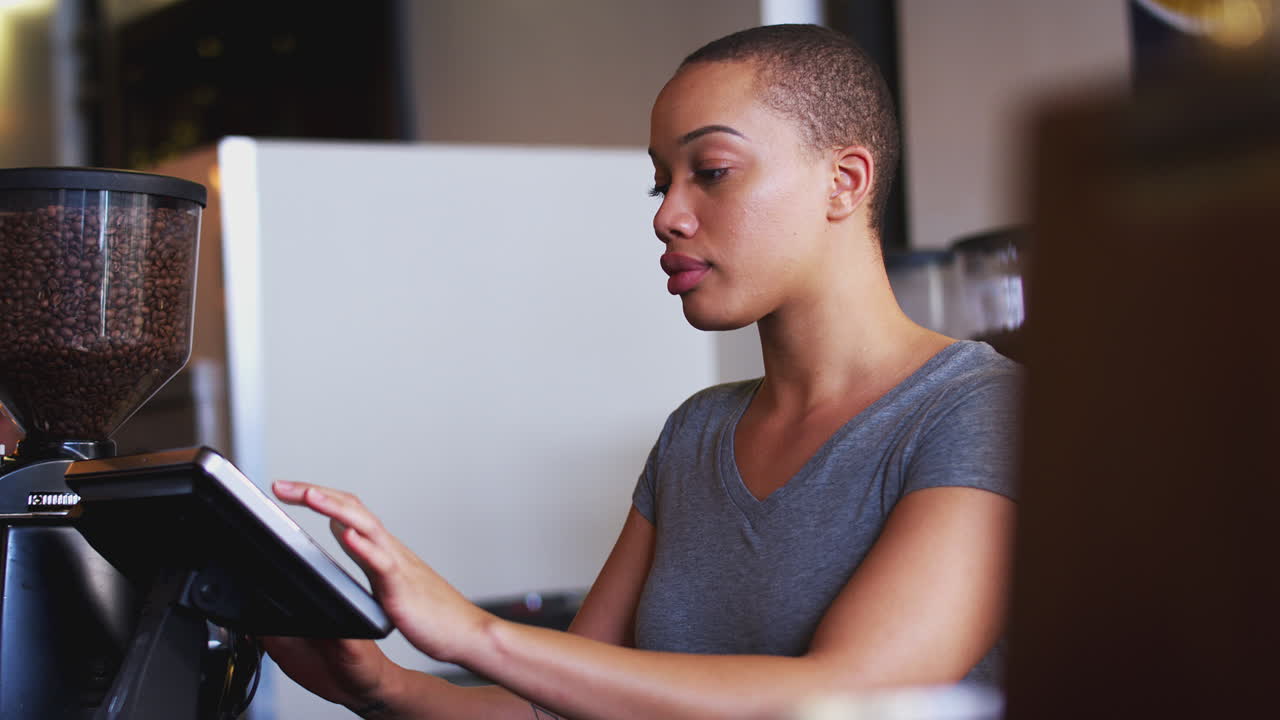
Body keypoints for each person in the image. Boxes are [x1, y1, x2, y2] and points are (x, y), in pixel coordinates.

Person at [265, 24, 1021, 720]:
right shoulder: (697, 433)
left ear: (846, 181)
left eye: (713, 172)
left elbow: (848, 694)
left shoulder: (979, 411)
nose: (667, 216)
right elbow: (556, 705)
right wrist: (382, 685)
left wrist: (474, 634)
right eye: (662, 183)